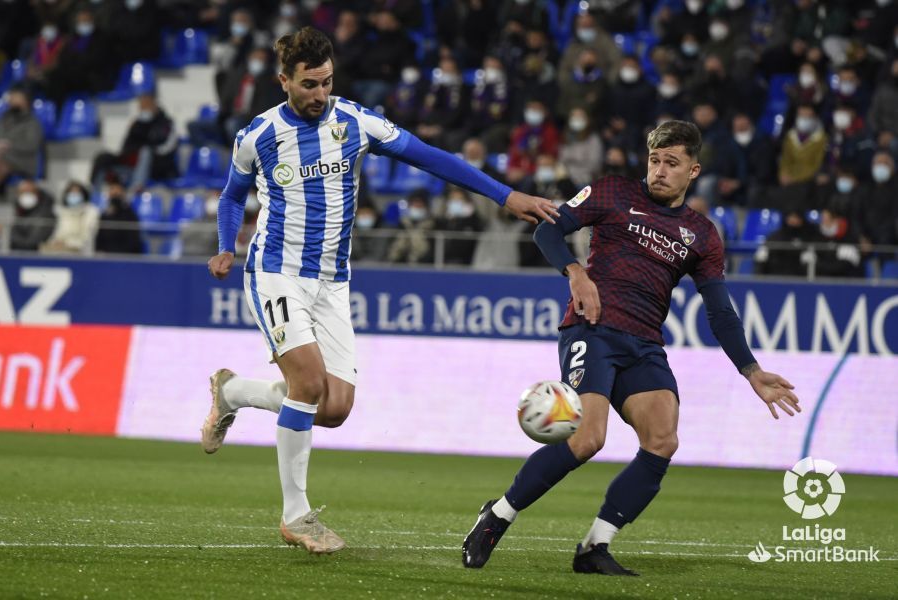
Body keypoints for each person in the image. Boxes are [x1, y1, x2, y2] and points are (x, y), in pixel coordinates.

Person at [203, 27, 557, 555]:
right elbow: (232, 196)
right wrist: (226, 244)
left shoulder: (354, 121)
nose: (320, 94)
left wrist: (505, 195)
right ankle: (296, 516)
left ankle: (231, 393)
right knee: (306, 380)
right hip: (276, 270)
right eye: (309, 84)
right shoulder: (258, 134)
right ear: (284, 82)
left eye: (326, 82)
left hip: (333, 281)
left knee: (334, 408)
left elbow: (432, 156)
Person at [461, 120, 800, 575]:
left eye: (672, 163)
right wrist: (576, 273)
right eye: (655, 160)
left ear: (694, 171)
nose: (660, 170)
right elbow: (546, 231)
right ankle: (496, 517)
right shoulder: (612, 192)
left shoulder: (701, 234)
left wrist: (751, 370)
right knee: (587, 439)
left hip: (644, 343)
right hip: (592, 330)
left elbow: (720, 311)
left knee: (662, 439)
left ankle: (594, 547)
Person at [0, 85, 44, 191]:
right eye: (11, 97)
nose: (11, 100)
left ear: (25, 100)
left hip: (22, 160)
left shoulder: (32, 122)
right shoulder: (4, 119)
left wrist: (7, 145)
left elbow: (31, 145)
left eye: (15, 97)